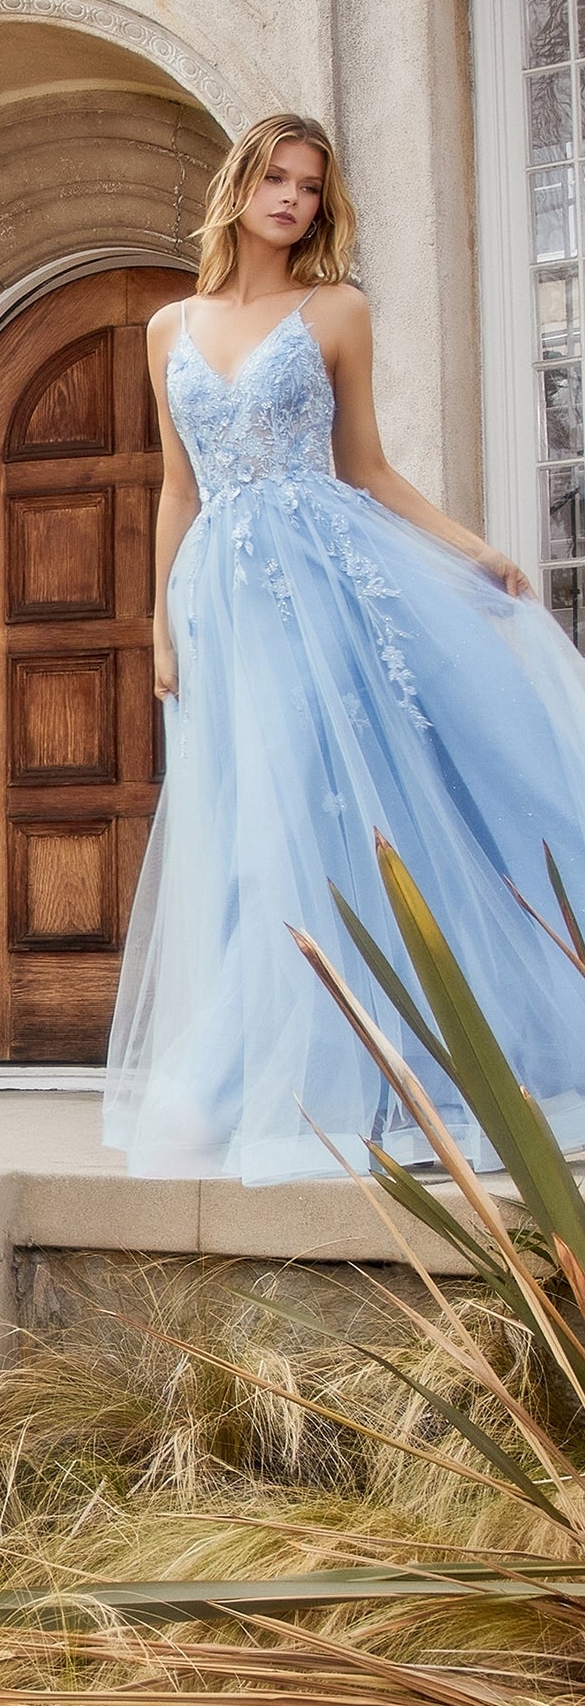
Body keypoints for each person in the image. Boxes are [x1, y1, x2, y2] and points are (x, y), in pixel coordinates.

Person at [104, 112, 585, 1185]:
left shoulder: (336, 308)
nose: (291, 199)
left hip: (322, 583)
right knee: (245, 826)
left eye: (310, 187)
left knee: (320, 813)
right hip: (218, 599)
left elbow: (367, 466)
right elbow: (178, 486)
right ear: (238, 185)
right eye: (275, 177)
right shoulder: (166, 328)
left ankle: (351, 1071)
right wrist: (157, 623)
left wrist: (472, 548)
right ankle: (259, 1067)